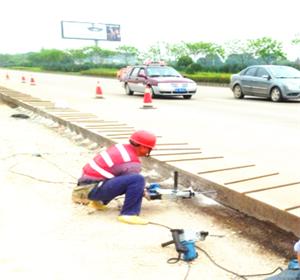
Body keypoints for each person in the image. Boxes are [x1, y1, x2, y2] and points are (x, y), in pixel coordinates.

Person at [72, 130, 157, 225]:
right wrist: (145, 192)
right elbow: (133, 183)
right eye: (149, 149)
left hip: (83, 188)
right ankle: (129, 214)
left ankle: (97, 202)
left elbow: (119, 179)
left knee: (120, 178)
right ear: (144, 147)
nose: (149, 151)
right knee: (138, 179)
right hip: (91, 191)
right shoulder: (131, 162)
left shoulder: (120, 147)